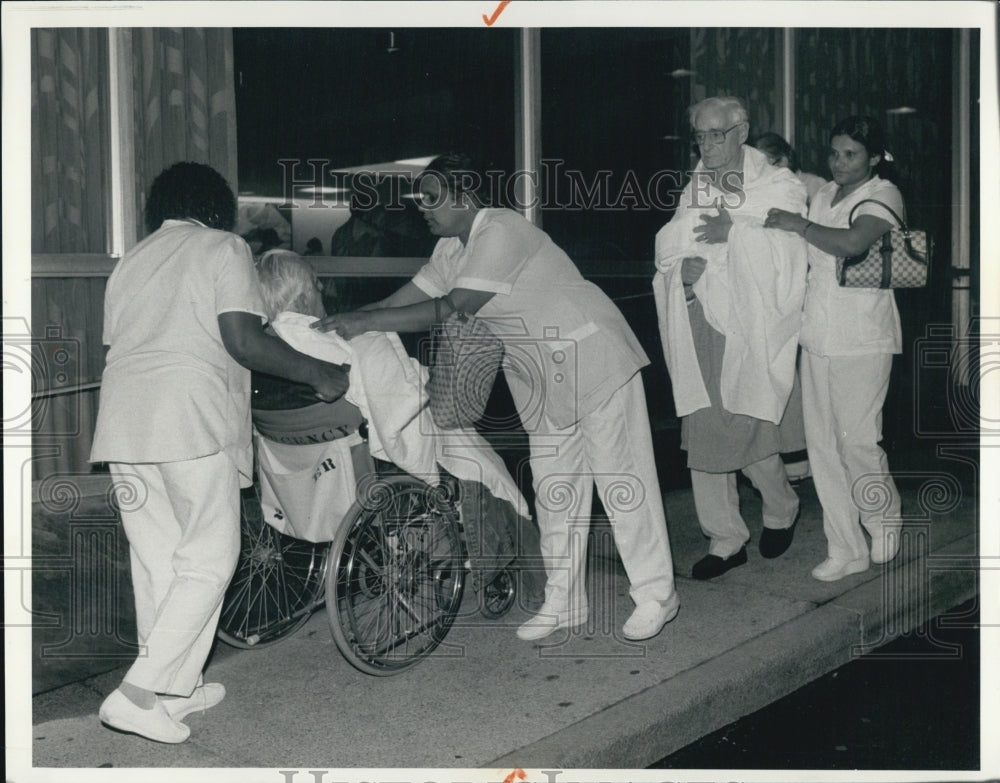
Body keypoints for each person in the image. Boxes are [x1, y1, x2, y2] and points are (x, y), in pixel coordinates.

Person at [312, 153, 680, 642]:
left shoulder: (502, 231)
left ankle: (656, 594)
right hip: (542, 378)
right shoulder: (451, 247)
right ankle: (564, 600)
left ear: (465, 195)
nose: (422, 207)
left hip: (593, 358)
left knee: (621, 479)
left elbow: (452, 307)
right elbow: (406, 297)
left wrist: (367, 322)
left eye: (432, 197)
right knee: (555, 492)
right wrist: (346, 321)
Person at [89, 162, 349, 743]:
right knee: (209, 558)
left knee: (160, 562)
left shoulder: (132, 260)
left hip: (125, 423)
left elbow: (129, 345)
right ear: (216, 209)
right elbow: (243, 340)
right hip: (189, 421)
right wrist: (319, 373)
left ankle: (171, 688)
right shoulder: (223, 247)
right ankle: (135, 693)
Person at [653, 97, 808, 580]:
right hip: (700, 315)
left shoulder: (778, 183)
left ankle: (781, 507)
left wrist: (734, 233)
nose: (706, 145)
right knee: (702, 429)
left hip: (751, 322)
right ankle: (725, 538)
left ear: (740, 132)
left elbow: (789, 249)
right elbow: (672, 243)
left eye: (715, 135)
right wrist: (681, 272)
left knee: (747, 425)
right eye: (699, 136)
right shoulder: (696, 184)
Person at [764, 116, 904, 581]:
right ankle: (845, 546)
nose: (840, 163)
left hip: (863, 336)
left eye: (851, 154)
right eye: (834, 153)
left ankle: (882, 521)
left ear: (874, 157)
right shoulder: (823, 194)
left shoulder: (883, 195)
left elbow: (852, 242)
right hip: (817, 335)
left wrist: (800, 225)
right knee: (822, 447)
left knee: (858, 441)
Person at [752, 132, 822, 484]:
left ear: (782, 161)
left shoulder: (812, 187)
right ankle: (785, 458)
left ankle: (797, 457)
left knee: (795, 378)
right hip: (775, 293)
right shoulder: (759, 190)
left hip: (808, 293)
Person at [754, 131, 828, 206]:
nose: (775, 170)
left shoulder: (814, 184)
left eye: (776, 162)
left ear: (788, 155)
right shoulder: (763, 189)